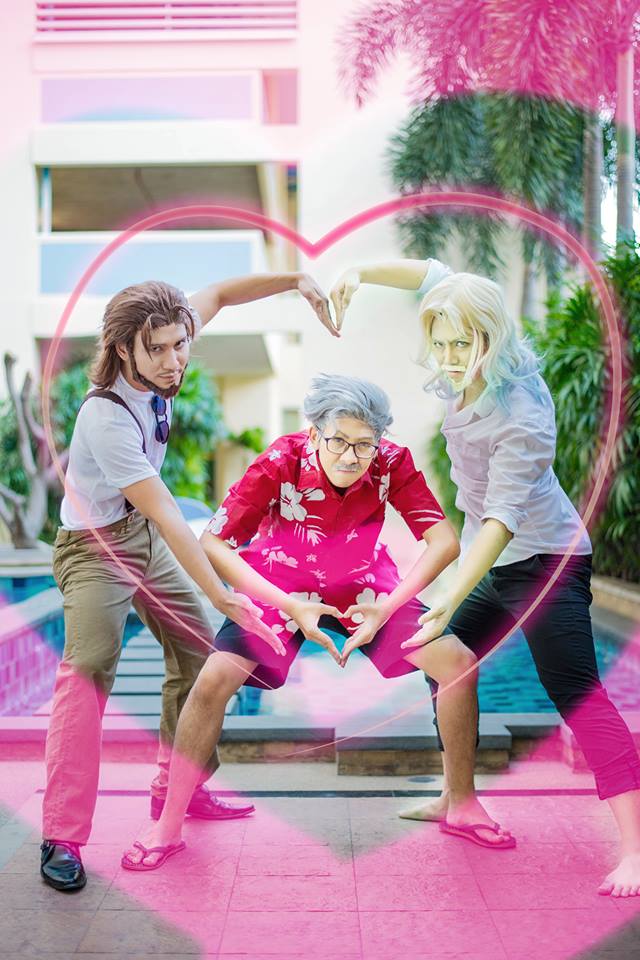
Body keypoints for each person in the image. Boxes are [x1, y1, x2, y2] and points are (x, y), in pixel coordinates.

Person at [329, 260, 640, 896]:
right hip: (493, 559)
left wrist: (447, 597)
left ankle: (636, 847)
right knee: (440, 659)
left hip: (545, 562)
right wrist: (358, 273)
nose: (448, 358)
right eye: (440, 343)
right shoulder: (465, 349)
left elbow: (500, 520)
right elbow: (431, 274)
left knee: (575, 691)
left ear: (491, 339)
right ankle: (458, 798)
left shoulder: (521, 413)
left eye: (461, 345)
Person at [121, 372, 514, 871]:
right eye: (339, 441)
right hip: (280, 580)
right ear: (314, 434)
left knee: (457, 663)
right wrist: (288, 606)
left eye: (365, 444)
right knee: (214, 679)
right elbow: (214, 542)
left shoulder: (391, 461)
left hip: (363, 583)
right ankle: (168, 824)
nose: (351, 456)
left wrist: (387, 607)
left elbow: (445, 542)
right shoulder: (280, 460)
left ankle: (461, 803)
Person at [41, 271, 338, 892]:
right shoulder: (105, 417)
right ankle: (61, 835)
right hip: (95, 549)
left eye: (181, 344)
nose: (174, 360)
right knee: (88, 669)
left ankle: (178, 786)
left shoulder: (169, 339)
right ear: (123, 348)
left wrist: (298, 281)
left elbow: (223, 294)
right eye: (158, 349)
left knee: (200, 652)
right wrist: (221, 593)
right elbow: (169, 514)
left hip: (141, 535)